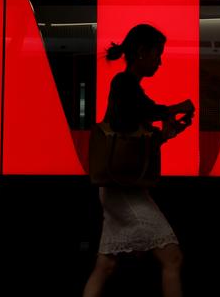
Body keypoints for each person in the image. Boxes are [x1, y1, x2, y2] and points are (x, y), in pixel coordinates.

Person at [83, 24, 195, 297]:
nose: (160, 61)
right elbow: (138, 115)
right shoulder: (124, 84)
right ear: (143, 53)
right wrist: (174, 108)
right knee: (172, 258)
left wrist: (167, 132)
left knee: (105, 265)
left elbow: (134, 140)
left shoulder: (130, 89)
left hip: (120, 186)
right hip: (123, 190)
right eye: (158, 54)